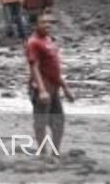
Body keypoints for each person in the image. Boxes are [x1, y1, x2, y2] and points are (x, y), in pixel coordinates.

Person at [26, 13, 74, 152]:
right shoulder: (33, 43)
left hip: (54, 87)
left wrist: (65, 88)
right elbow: (34, 67)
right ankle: (42, 153)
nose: (48, 25)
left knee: (58, 121)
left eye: (49, 23)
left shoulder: (49, 40)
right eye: (43, 23)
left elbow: (54, 68)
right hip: (42, 88)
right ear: (35, 25)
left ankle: (55, 151)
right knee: (41, 121)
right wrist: (41, 90)